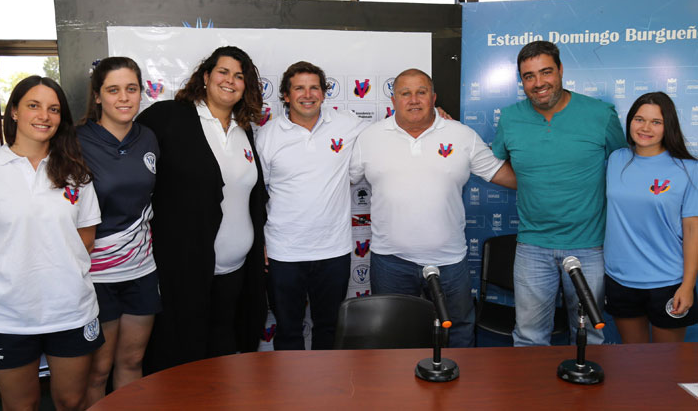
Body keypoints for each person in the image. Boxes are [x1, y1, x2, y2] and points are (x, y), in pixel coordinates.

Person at [0, 76, 103, 411]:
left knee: (71, 401)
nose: (44, 115)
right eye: (34, 105)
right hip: (8, 316)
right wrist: (11, 272)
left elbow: (86, 238)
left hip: (71, 311)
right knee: (22, 406)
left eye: (53, 109)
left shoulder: (76, 173)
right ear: (15, 112)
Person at [349, 68, 516, 347]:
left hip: (449, 261)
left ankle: (457, 388)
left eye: (421, 92)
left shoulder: (462, 135)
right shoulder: (369, 138)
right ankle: (400, 390)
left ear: (433, 97)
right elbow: (341, 180)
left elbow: (504, 175)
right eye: (405, 93)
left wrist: (555, 178)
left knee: (459, 328)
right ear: (393, 100)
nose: (413, 100)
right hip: (390, 262)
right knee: (392, 332)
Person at [136, 46, 267, 372]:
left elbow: (252, 197)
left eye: (239, 76)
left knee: (222, 353)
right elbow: (131, 169)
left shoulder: (243, 130)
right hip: (184, 271)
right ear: (206, 76)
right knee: (183, 357)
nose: (231, 81)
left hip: (235, 270)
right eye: (223, 72)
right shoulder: (168, 117)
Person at [492, 40, 627, 346]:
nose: (538, 83)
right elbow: (498, 162)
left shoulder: (600, 114)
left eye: (546, 72)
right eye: (529, 76)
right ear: (521, 80)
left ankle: (588, 396)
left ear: (561, 70)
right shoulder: (510, 117)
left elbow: (623, 167)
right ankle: (534, 396)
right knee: (528, 337)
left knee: (590, 336)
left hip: (588, 247)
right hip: (532, 246)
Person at [256, 61, 368, 350]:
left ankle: (325, 394)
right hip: (284, 252)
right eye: (299, 88)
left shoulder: (348, 124)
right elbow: (256, 193)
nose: (308, 94)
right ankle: (289, 395)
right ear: (285, 95)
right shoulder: (267, 136)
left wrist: (436, 115)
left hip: (334, 251)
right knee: (289, 331)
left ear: (324, 92)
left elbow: (390, 132)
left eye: (314, 87)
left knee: (329, 329)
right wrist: (259, 241)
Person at [77, 57, 161, 405]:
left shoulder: (149, 137)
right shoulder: (76, 141)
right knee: (98, 371)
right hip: (96, 276)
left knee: (132, 361)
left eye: (131, 89)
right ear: (98, 96)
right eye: (113, 90)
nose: (124, 98)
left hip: (142, 270)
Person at [604, 92, 698, 342]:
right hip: (620, 279)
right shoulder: (616, 159)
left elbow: (692, 231)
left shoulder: (688, 169)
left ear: (668, 126)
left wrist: (687, 286)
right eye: (639, 119)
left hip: (667, 281)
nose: (645, 127)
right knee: (633, 362)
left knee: (665, 366)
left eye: (656, 122)